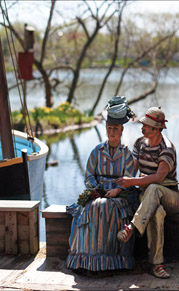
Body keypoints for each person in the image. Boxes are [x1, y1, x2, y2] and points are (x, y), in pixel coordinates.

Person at [66, 96, 138, 272]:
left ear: (121, 130)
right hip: (98, 193)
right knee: (92, 207)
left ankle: (110, 261)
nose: (112, 132)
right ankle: (87, 261)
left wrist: (117, 190)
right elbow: (89, 174)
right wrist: (95, 189)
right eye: (109, 128)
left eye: (115, 129)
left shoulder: (127, 154)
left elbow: (129, 178)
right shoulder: (97, 151)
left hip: (119, 196)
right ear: (105, 129)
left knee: (106, 208)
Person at [116, 106, 179, 279]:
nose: (142, 127)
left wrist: (133, 182)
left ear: (156, 128)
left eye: (146, 125)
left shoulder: (166, 148)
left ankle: (131, 227)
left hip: (171, 198)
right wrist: (120, 185)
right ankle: (157, 265)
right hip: (148, 199)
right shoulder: (139, 143)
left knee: (153, 188)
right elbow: (132, 170)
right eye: (143, 124)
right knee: (157, 213)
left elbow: (159, 178)